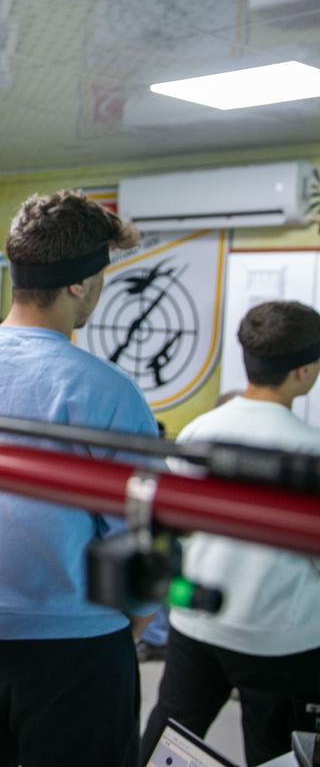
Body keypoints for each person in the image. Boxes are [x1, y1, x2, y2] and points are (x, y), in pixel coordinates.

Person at [0, 189, 157, 767]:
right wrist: (139, 623)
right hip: (74, 647)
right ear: (79, 283)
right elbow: (146, 530)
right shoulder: (104, 391)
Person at [141, 301, 320, 766]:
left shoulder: (201, 429)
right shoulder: (310, 451)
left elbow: (176, 523)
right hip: (281, 639)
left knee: (167, 742)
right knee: (278, 754)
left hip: (195, 624)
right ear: (302, 372)